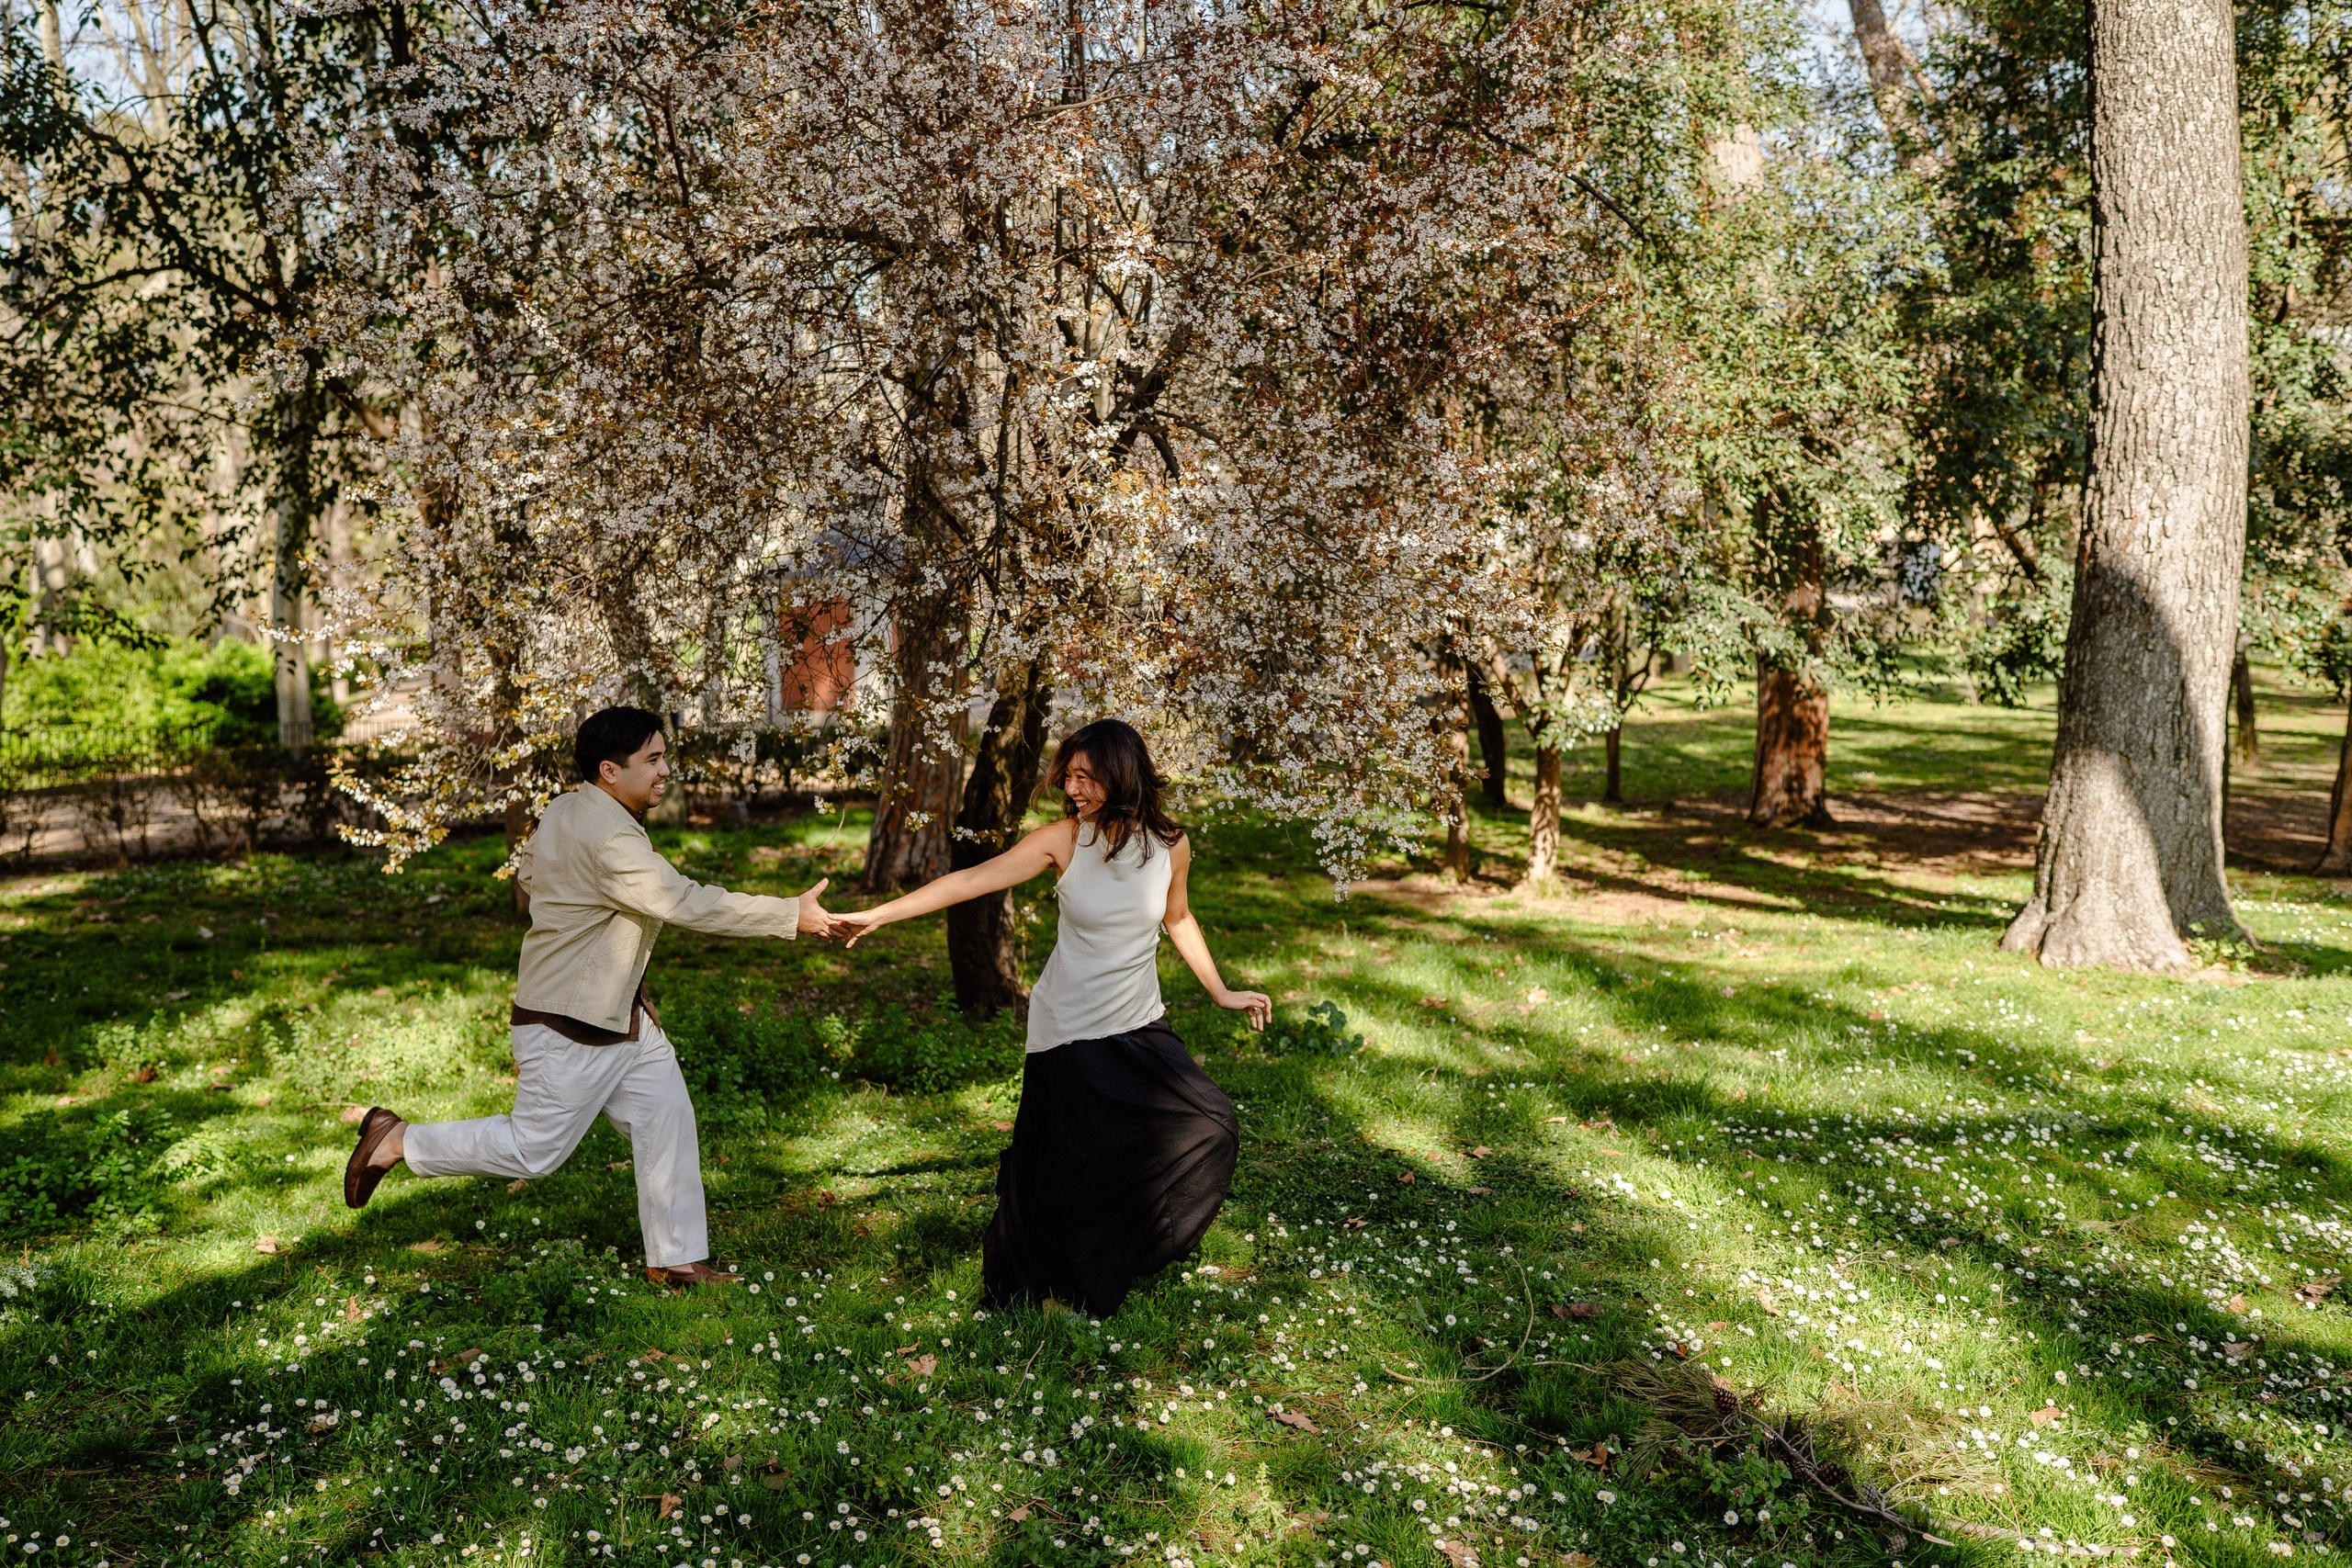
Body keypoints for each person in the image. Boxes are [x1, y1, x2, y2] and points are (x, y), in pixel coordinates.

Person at [343, 705, 839, 1289]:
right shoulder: (606, 834)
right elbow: (681, 901)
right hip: (568, 1024)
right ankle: (397, 1140)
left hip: (616, 1015)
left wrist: (616, 970)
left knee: (666, 1118)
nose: (664, 771)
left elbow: (532, 878)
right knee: (534, 1151)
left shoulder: (569, 808)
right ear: (609, 769)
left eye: (664, 757)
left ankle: (676, 1260)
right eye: (652, 760)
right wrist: (789, 914)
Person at [837, 718, 1266, 1314]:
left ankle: (1117, 1251)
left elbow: (1179, 918)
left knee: (1210, 1123)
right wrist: (880, 915)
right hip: (1067, 1025)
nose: (1074, 788)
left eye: (1086, 777)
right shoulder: (1064, 839)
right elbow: (970, 880)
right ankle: (1050, 1286)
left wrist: (1220, 990)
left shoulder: (1171, 845)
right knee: (1060, 1164)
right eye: (1069, 776)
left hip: (1138, 1020)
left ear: (1121, 775)